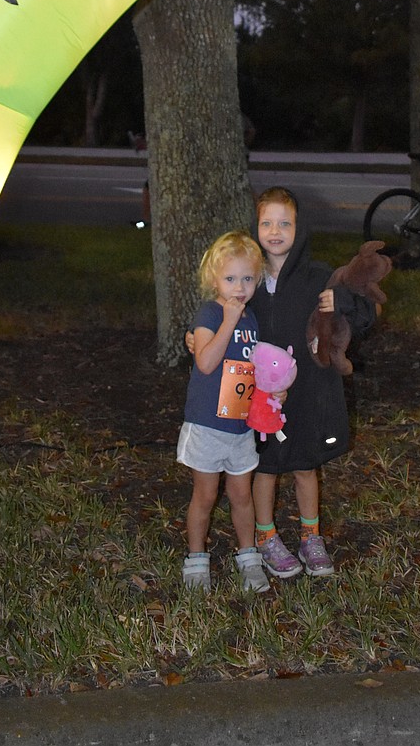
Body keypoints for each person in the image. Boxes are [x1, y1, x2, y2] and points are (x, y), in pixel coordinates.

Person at [250, 188, 376, 579]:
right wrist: (194, 334)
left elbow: (362, 314)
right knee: (266, 466)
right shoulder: (247, 276)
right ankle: (265, 535)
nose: (275, 231)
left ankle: (310, 535)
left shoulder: (318, 277)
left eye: (284, 223)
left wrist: (340, 305)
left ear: (298, 229)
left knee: (305, 465)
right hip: (262, 395)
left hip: (306, 390)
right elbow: (217, 310)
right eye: (266, 223)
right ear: (255, 228)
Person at [176, 231, 269, 594]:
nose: (239, 287)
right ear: (214, 279)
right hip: (207, 425)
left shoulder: (252, 320)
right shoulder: (210, 314)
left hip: (240, 427)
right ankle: (197, 559)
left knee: (242, 495)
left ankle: (249, 557)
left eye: (248, 278)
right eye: (230, 278)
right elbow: (206, 362)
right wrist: (228, 320)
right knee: (205, 495)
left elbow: (251, 368)